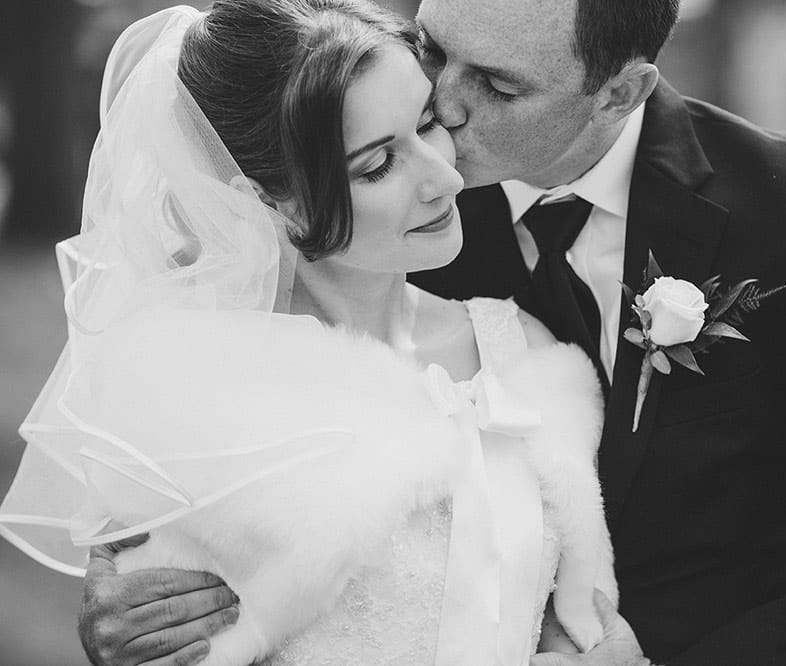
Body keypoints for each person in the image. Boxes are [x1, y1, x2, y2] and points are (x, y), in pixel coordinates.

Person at [74, 0, 786, 664]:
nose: (443, 107)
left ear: (620, 91)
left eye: (500, 86)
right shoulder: (370, 200)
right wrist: (142, 598)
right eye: (436, 49)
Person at [0, 2, 620, 665]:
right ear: (268, 202)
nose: (444, 176)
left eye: (427, 124)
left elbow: (574, 614)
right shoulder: (200, 410)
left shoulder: (523, 351)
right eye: (379, 164)